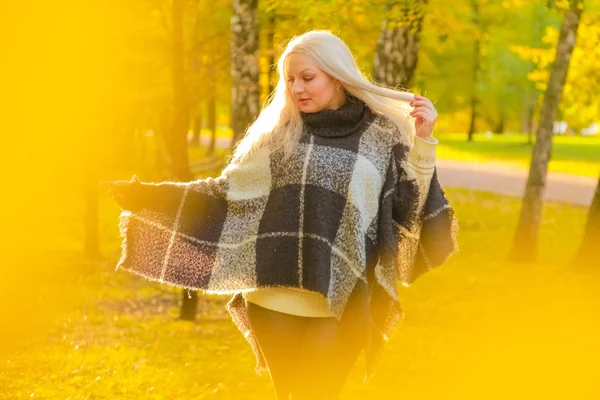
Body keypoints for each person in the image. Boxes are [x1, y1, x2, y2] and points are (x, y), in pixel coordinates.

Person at [100, 30, 458, 400]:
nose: (297, 88)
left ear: (337, 75)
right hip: (272, 302)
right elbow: (224, 194)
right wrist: (145, 195)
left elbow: (409, 207)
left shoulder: (380, 135)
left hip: (343, 299)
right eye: (289, 80)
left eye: (308, 77)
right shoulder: (278, 137)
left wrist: (424, 139)